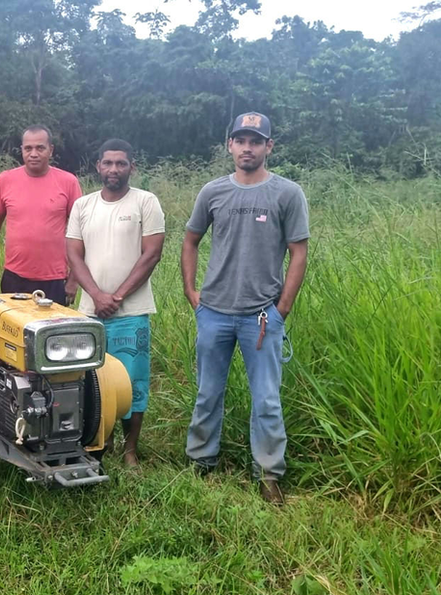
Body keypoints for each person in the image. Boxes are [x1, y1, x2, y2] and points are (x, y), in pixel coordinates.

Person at [182, 112, 310, 505]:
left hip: (261, 316)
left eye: (256, 141)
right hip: (214, 312)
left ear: (269, 147)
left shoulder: (287, 193)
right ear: (230, 145)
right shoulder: (213, 192)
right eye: (240, 140)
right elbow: (190, 240)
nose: (247, 148)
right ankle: (201, 461)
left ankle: (269, 473)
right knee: (207, 393)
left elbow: (298, 253)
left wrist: (281, 309)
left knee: (267, 399)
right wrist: (192, 293)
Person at [66, 139, 165, 467]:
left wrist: (117, 296)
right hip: (89, 312)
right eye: (107, 163)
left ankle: (130, 449)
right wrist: (96, 295)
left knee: (132, 381)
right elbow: (73, 254)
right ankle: (97, 440)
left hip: (131, 313)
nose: (113, 169)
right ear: (98, 166)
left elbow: (151, 254)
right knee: (89, 379)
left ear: (131, 167)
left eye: (121, 163)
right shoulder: (83, 205)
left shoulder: (145, 203)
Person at [0, 125, 82, 305]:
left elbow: (80, 234)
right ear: (22, 150)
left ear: (51, 150)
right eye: (28, 148)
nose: (34, 153)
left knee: (48, 332)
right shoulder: (6, 180)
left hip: (54, 281)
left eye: (40, 148)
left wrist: (74, 279)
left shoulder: (68, 182)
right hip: (14, 278)